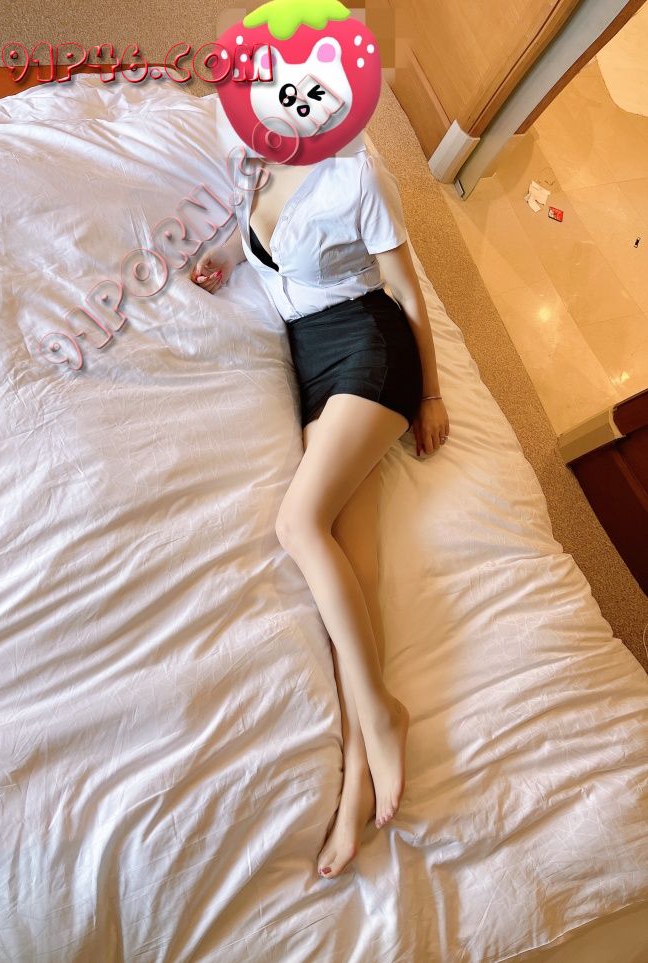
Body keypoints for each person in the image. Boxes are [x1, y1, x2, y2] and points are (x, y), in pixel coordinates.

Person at [190, 138, 450, 880]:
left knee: (297, 525)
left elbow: (406, 293)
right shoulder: (258, 154)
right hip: (313, 364)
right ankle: (356, 782)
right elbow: (262, 239)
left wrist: (432, 394)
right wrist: (226, 258)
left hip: (370, 344)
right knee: (353, 575)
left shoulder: (360, 174)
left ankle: (383, 715)